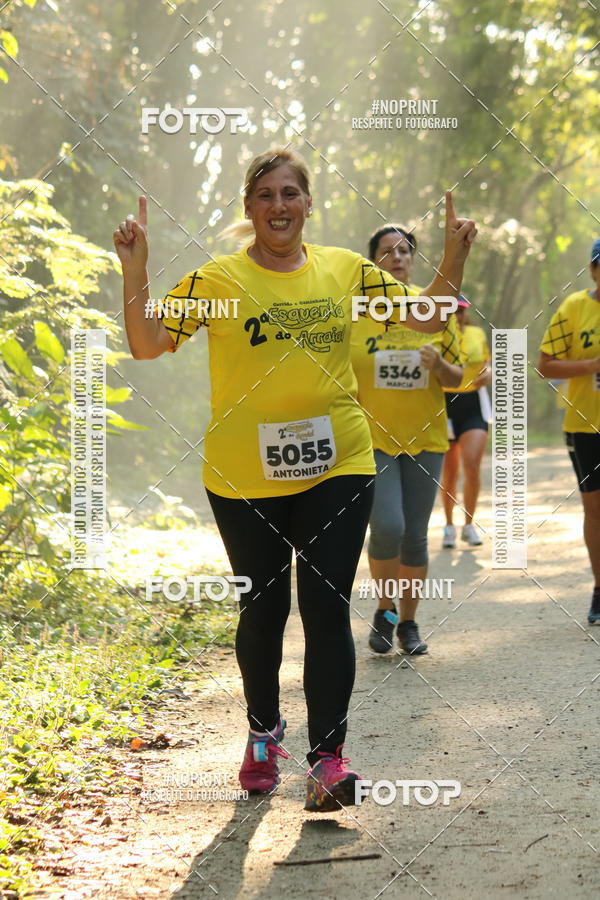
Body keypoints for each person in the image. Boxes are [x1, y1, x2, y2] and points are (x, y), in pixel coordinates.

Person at [113, 147, 476, 812]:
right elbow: (146, 342)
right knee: (264, 608)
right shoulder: (218, 281)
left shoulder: (347, 271)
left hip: (339, 464)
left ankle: (327, 761)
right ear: (249, 210)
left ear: (309, 204)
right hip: (243, 473)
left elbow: (426, 316)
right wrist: (135, 270)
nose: (279, 205)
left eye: (290, 193)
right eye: (265, 196)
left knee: (326, 607)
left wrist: (452, 257)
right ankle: (263, 730)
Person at [351, 225, 464, 655]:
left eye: (404, 251)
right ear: (372, 262)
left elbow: (459, 380)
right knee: (388, 526)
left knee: (415, 534)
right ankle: (385, 609)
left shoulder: (434, 309)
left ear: (413, 259)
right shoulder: (356, 312)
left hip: (426, 438)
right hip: (371, 437)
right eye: (386, 252)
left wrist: (438, 366)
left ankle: (408, 623)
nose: (397, 258)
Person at [537, 239, 600, 625]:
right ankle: (599, 587)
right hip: (585, 425)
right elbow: (545, 365)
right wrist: (593, 364)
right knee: (595, 509)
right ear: (593, 269)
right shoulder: (575, 308)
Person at [440, 297, 491, 548]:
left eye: (460, 311)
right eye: (451, 311)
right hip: (445, 405)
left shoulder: (476, 333)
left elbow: (486, 364)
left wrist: (488, 373)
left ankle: (469, 525)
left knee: (471, 464)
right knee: (450, 471)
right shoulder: (435, 335)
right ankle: (449, 526)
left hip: (473, 405)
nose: (456, 316)